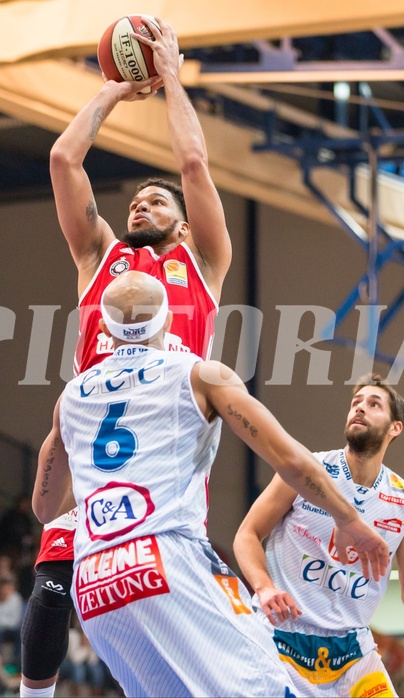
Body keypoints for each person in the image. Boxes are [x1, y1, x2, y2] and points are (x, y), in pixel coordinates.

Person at [31, 272, 389, 698]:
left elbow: (46, 507)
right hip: (165, 559)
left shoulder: (70, 397)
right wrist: (347, 517)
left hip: (92, 583)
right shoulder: (201, 374)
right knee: (273, 688)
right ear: (168, 322)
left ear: (105, 330)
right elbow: (290, 459)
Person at [20, 18, 232, 698]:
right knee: (53, 583)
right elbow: (62, 161)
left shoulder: (204, 262)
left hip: (169, 458)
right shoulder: (98, 257)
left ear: (182, 219)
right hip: (96, 444)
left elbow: (194, 163)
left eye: (157, 198)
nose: (143, 201)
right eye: (136, 198)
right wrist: (113, 90)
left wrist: (169, 76)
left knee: (169, 626)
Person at [233, 374, 404, 698]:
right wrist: (263, 587)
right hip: (281, 635)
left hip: (352, 650)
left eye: (373, 404)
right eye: (355, 403)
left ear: (395, 427)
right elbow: (247, 534)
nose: (359, 409)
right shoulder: (306, 471)